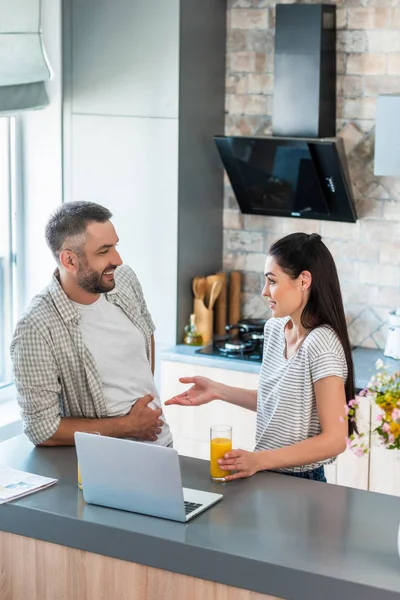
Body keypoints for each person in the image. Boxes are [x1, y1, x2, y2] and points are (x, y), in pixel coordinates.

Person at [166, 232, 356, 482]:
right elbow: (276, 403)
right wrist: (217, 390)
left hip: (302, 480)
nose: (264, 292)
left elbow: (335, 440)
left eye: (272, 281)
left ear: (304, 280)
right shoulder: (276, 329)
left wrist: (258, 460)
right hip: (266, 473)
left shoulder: (321, 343)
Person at [11, 201, 172, 447]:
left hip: (162, 446)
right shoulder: (36, 327)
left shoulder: (124, 279)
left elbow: (146, 334)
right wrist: (129, 425)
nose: (117, 260)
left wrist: (142, 402)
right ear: (69, 261)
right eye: (103, 251)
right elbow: (41, 430)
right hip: (103, 462)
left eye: (115, 247)